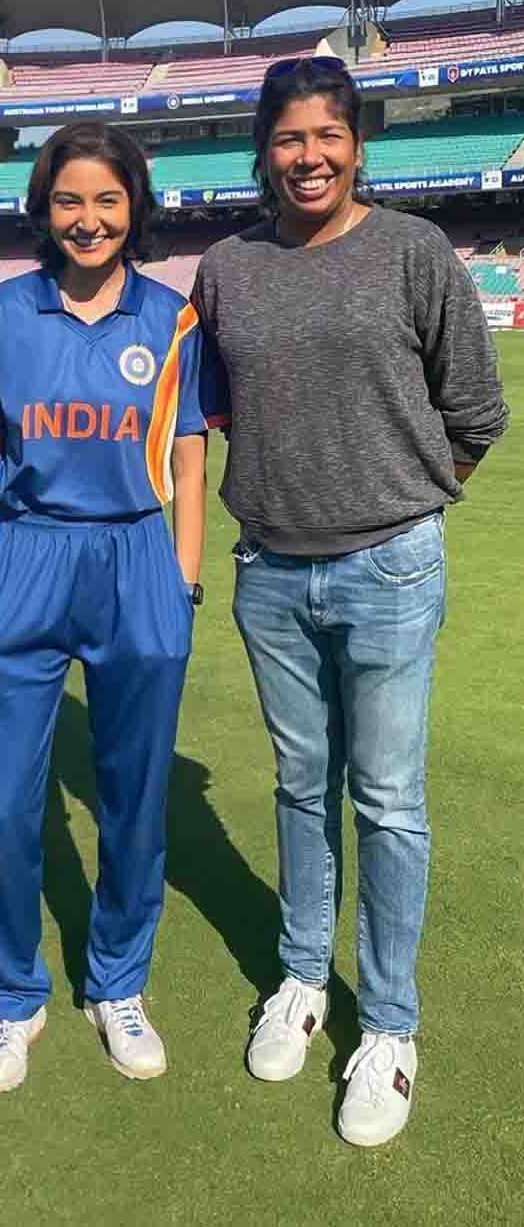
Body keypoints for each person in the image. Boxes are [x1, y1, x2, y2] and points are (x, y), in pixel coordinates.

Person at [192, 57, 508, 1147]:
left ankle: (390, 1026)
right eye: (288, 138)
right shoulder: (226, 265)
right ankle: (298, 978)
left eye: (328, 134)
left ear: (358, 145)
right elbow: (217, 413)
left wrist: (403, 507)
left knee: (386, 800)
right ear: (265, 150)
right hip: (270, 573)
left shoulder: (414, 251)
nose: (308, 155)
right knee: (298, 788)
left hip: (387, 569)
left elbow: (475, 410)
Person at [0, 121, 222, 1093]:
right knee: (1, 802)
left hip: (138, 556)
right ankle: (12, 999)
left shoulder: (173, 318)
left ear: (134, 207)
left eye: (107, 199)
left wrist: (182, 578)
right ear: (44, 211)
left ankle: (117, 983)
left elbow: (190, 454)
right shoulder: (5, 313)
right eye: (69, 200)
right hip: (25, 555)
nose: (88, 219)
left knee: (134, 799)